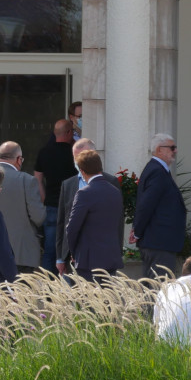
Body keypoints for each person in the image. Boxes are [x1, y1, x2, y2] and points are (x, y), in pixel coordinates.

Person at [64, 148, 125, 280]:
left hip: (89, 260)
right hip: (110, 258)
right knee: (108, 299)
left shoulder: (84, 193)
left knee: (90, 299)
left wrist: (75, 253)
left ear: (82, 171)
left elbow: (72, 228)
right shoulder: (115, 191)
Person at [131, 133, 186, 278]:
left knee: (154, 288)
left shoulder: (158, 170)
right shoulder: (157, 171)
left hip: (159, 242)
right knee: (158, 289)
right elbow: (146, 205)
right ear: (159, 149)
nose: (175, 151)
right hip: (158, 242)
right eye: (172, 147)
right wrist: (137, 231)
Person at [0, 141, 45, 275]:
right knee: (20, 295)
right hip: (21, 253)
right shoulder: (27, 180)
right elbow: (38, 217)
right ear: (18, 159)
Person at [34, 119, 76, 270]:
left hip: (51, 205)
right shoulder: (74, 154)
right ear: (69, 133)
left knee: (50, 251)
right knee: (72, 250)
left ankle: (48, 288)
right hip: (72, 205)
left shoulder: (44, 152)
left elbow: (38, 180)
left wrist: (45, 200)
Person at [55, 137, 98, 275]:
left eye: (83, 156)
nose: (79, 161)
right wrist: (60, 257)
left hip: (100, 254)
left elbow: (117, 222)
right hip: (72, 256)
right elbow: (62, 221)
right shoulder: (68, 185)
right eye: (76, 157)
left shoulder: (110, 182)